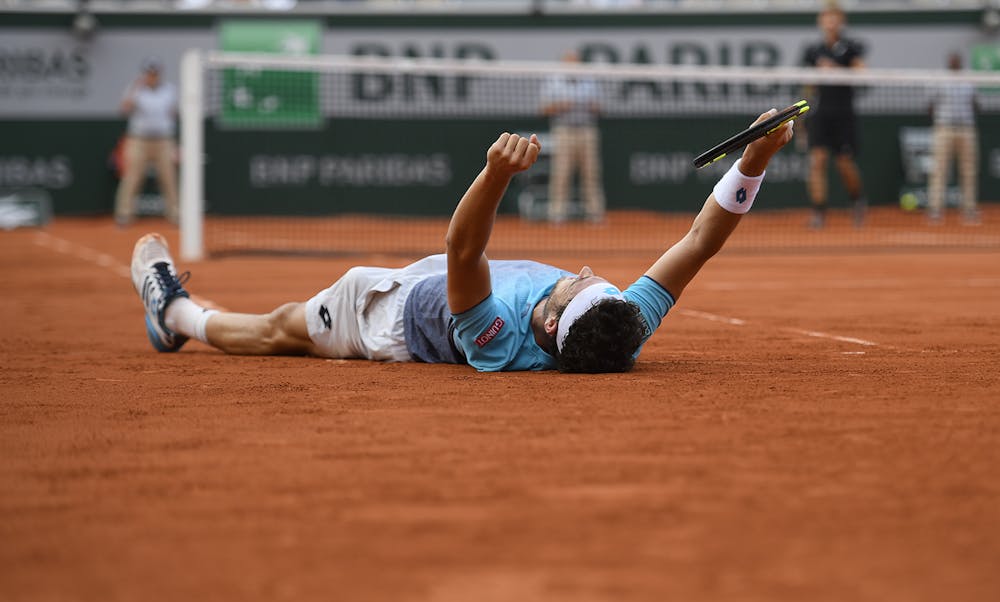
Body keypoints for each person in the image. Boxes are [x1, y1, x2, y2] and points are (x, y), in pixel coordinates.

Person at [130, 108, 793, 373]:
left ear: (553, 316)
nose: (586, 268)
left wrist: (495, 174)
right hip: (429, 278)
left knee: (279, 331)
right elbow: (703, 238)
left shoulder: (497, 333)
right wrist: (757, 157)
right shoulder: (622, 322)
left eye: (579, 279)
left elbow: (463, 252)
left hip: (383, 317)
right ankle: (180, 315)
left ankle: (176, 316)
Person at [802, 2, 867, 229]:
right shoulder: (812, 51)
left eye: (834, 17)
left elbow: (862, 72)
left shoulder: (852, 48)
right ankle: (818, 212)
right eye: (826, 17)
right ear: (821, 21)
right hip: (820, 114)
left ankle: (857, 201)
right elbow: (808, 86)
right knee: (817, 162)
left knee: (844, 163)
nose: (830, 22)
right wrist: (803, 118)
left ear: (841, 21)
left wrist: (835, 70)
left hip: (844, 114)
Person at [539, 50, 606, 225]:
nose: (573, 66)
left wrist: (592, 106)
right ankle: (557, 213)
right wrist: (561, 106)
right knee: (561, 173)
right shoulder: (553, 81)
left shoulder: (590, 80)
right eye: (569, 63)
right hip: (564, 130)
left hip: (587, 130)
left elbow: (601, 107)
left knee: (591, 173)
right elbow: (544, 108)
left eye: (575, 62)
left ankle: (594, 213)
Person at [114, 58, 179, 227]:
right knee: (132, 177)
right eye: (149, 73)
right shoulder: (136, 88)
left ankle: (175, 214)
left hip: (164, 141)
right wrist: (136, 89)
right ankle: (124, 214)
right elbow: (124, 109)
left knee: (169, 178)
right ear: (145, 74)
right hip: (139, 140)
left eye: (155, 73)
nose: (152, 76)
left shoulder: (170, 90)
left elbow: (175, 112)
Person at [927, 52, 980, 226]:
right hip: (944, 128)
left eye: (957, 60)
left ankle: (969, 209)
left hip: (966, 129)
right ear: (948, 62)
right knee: (939, 170)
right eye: (952, 60)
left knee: (968, 170)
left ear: (961, 62)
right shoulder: (940, 79)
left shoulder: (968, 80)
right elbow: (930, 106)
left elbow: (975, 103)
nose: (955, 62)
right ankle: (935, 209)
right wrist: (941, 120)